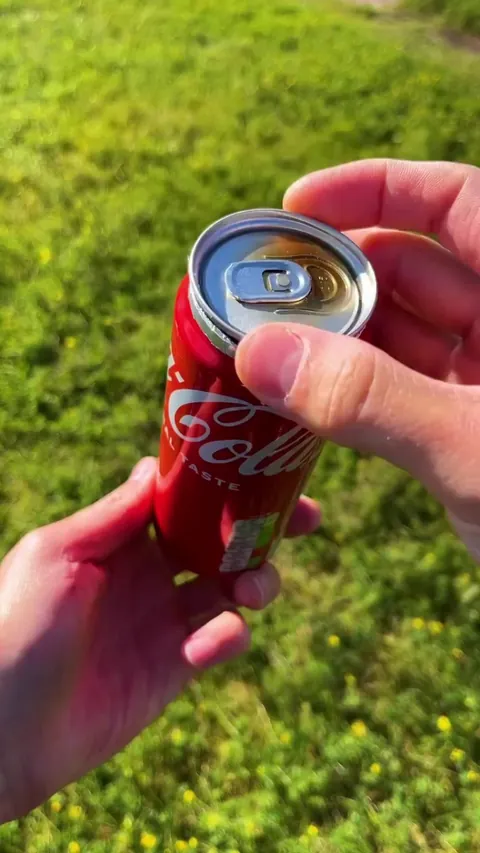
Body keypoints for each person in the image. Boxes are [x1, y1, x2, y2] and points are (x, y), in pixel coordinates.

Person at [1, 158, 479, 823]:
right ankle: (214, 544)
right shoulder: (205, 331)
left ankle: (227, 547)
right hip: (185, 509)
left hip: (245, 511)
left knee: (244, 544)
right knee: (236, 537)